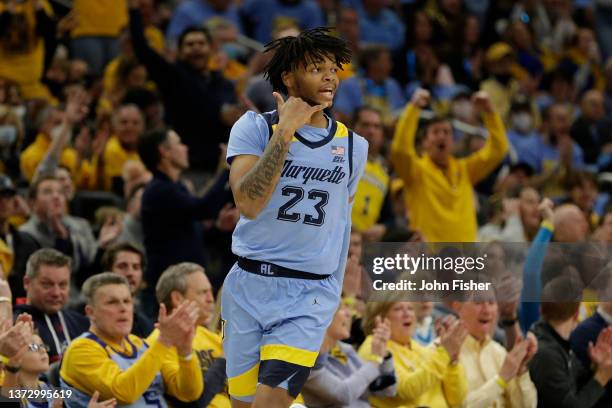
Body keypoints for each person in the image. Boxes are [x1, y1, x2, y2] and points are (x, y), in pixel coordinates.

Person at [222, 28, 367, 407]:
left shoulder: (354, 146)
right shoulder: (253, 127)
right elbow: (249, 204)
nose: (330, 77)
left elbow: (338, 221)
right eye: (317, 68)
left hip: (308, 295)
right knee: (242, 404)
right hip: (247, 285)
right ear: (288, 77)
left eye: (333, 69)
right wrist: (285, 131)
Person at [59, 272, 203, 407]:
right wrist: (164, 340)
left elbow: (189, 393)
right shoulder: (81, 349)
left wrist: (185, 352)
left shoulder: (138, 343)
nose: (123, 308)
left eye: (127, 301)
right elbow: (123, 392)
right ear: (91, 312)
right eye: (112, 302)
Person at [391, 88, 508, 242]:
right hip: (429, 260)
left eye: (447, 132)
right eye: (436, 132)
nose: (442, 136)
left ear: (452, 141)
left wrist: (489, 112)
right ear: (424, 142)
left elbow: (498, 149)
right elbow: (401, 151)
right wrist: (414, 108)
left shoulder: (465, 169)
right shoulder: (415, 171)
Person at [138, 128, 230, 317]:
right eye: (178, 143)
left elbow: (190, 237)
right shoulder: (159, 191)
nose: (185, 148)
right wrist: (227, 169)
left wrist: (219, 228)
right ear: (164, 151)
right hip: (168, 293)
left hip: (184, 286)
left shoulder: (175, 188)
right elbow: (204, 209)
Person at [358, 300, 468, 407]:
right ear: (380, 319)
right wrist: (445, 353)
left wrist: (452, 362)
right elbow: (406, 390)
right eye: (398, 309)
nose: (407, 314)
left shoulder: (420, 349)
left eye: (410, 308)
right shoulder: (374, 346)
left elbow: (457, 400)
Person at [151, 262, 230, 407]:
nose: (211, 299)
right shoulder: (159, 342)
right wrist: (225, 359)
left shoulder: (210, 336)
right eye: (203, 292)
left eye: (210, 292)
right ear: (177, 298)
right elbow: (192, 402)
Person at [301, 304, 396, 407]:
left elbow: (386, 391)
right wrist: (375, 360)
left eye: (348, 308)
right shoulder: (307, 361)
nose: (348, 314)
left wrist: (384, 355)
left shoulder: (345, 349)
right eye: (340, 308)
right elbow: (344, 395)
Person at [13, 249, 89, 363]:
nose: (56, 293)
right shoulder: (12, 324)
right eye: (47, 284)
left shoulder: (82, 323)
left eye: (63, 285)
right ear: (27, 282)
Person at [101, 242, 153, 338]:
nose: (130, 273)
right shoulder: (90, 316)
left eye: (136, 267)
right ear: (108, 272)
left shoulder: (147, 324)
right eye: (122, 266)